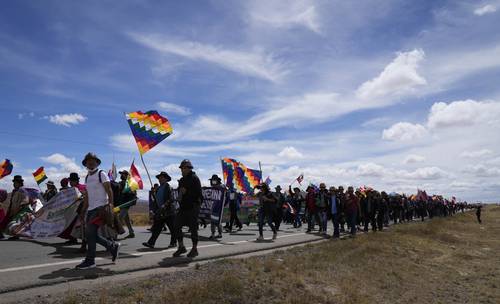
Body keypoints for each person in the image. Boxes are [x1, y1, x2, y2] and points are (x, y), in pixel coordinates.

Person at [75, 153, 120, 269]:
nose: (90, 162)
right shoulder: (87, 177)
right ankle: (112, 247)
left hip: (100, 209)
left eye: (92, 160)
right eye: (88, 161)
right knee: (92, 234)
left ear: (97, 162)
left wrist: (110, 204)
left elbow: (109, 190)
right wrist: (83, 211)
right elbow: (87, 197)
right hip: (90, 209)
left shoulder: (102, 174)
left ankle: (90, 260)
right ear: (85, 163)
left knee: (90, 234)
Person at [173, 159, 203, 258]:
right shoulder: (181, 180)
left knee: (193, 228)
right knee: (176, 225)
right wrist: (180, 195)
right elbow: (180, 191)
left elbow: (198, 194)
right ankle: (181, 247)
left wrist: (187, 192)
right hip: (183, 207)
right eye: (181, 168)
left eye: (184, 168)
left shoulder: (195, 178)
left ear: (189, 168)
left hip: (193, 206)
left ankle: (194, 249)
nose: (182, 170)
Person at [143, 171, 177, 249]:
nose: (160, 179)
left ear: (166, 179)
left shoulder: (168, 187)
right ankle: (151, 243)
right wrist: (153, 194)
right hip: (161, 212)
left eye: (162, 177)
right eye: (159, 178)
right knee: (157, 228)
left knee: (172, 229)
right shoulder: (158, 189)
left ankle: (174, 242)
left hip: (169, 212)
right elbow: (156, 201)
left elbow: (171, 199)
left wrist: (164, 205)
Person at [0, 175, 29, 240]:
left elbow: (26, 198)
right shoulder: (14, 191)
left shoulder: (22, 190)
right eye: (14, 183)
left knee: (14, 223)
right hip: (12, 209)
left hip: (18, 210)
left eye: (15, 182)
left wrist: (23, 203)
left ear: (19, 183)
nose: (13, 184)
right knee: (5, 222)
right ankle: (3, 235)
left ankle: (15, 235)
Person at [116, 170, 137, 239]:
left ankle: (114, 234)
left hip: (126, 204)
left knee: (119, 218)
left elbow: (133, 193)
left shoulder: (129, 184)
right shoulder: (122, 183)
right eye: (121, 174)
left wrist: (125, 191)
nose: (121, 175)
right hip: (122, 203)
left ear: (126, 175)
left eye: (122, 174)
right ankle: (131, 233)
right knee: (126, 219)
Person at [208, 174, 225, 240]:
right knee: (213, 221)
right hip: (213, 206)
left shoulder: (222, 187)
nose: (212, 182)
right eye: (212, 181)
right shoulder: (212, 188)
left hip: (219, 207)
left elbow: (225, 193)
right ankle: (213, 233)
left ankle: (219, 233)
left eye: (214, 181)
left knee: (218, 221)